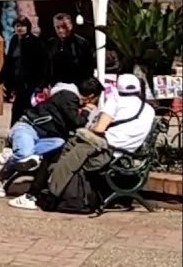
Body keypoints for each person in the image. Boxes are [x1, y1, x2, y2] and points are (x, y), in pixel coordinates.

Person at [9, 73, 157, 210]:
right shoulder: (149, 109)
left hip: (105, 151)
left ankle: (37, 196)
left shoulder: (116, 101)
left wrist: (92, 123)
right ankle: (39, 193)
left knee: (56, 155)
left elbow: (99, 129)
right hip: (126, 154)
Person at [0, 78, 102, 196]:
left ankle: (18, 153)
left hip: (45, 136)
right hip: (28, 128)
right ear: (90, 96)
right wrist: (86, 111)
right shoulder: (68, 97)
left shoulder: (68, 96)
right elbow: (77, 122)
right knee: (24, 154)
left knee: (58, 143)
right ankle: (3, 174)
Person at [0, 17, 51, 125]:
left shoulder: (36, 42)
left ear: (28, 27)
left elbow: (44, 63)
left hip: (31, 82)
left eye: (22, 26)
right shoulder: (14, 40)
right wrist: (1, 77)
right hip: (17, 82)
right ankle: (16, 132)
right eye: (17, 26)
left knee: (24, 108)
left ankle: (20, 131)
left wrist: (43, 83)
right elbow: (9, 61)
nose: (20, 28)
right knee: (19, 109)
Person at [46, 13, 95, 86]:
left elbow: (89, 70)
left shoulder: (82, 44)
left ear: (71, 25)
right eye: (57, 27)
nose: (60, 31)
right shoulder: (51, 43)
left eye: (64, 27)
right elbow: (47, 68)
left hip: (78, 85)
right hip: (56, 86)